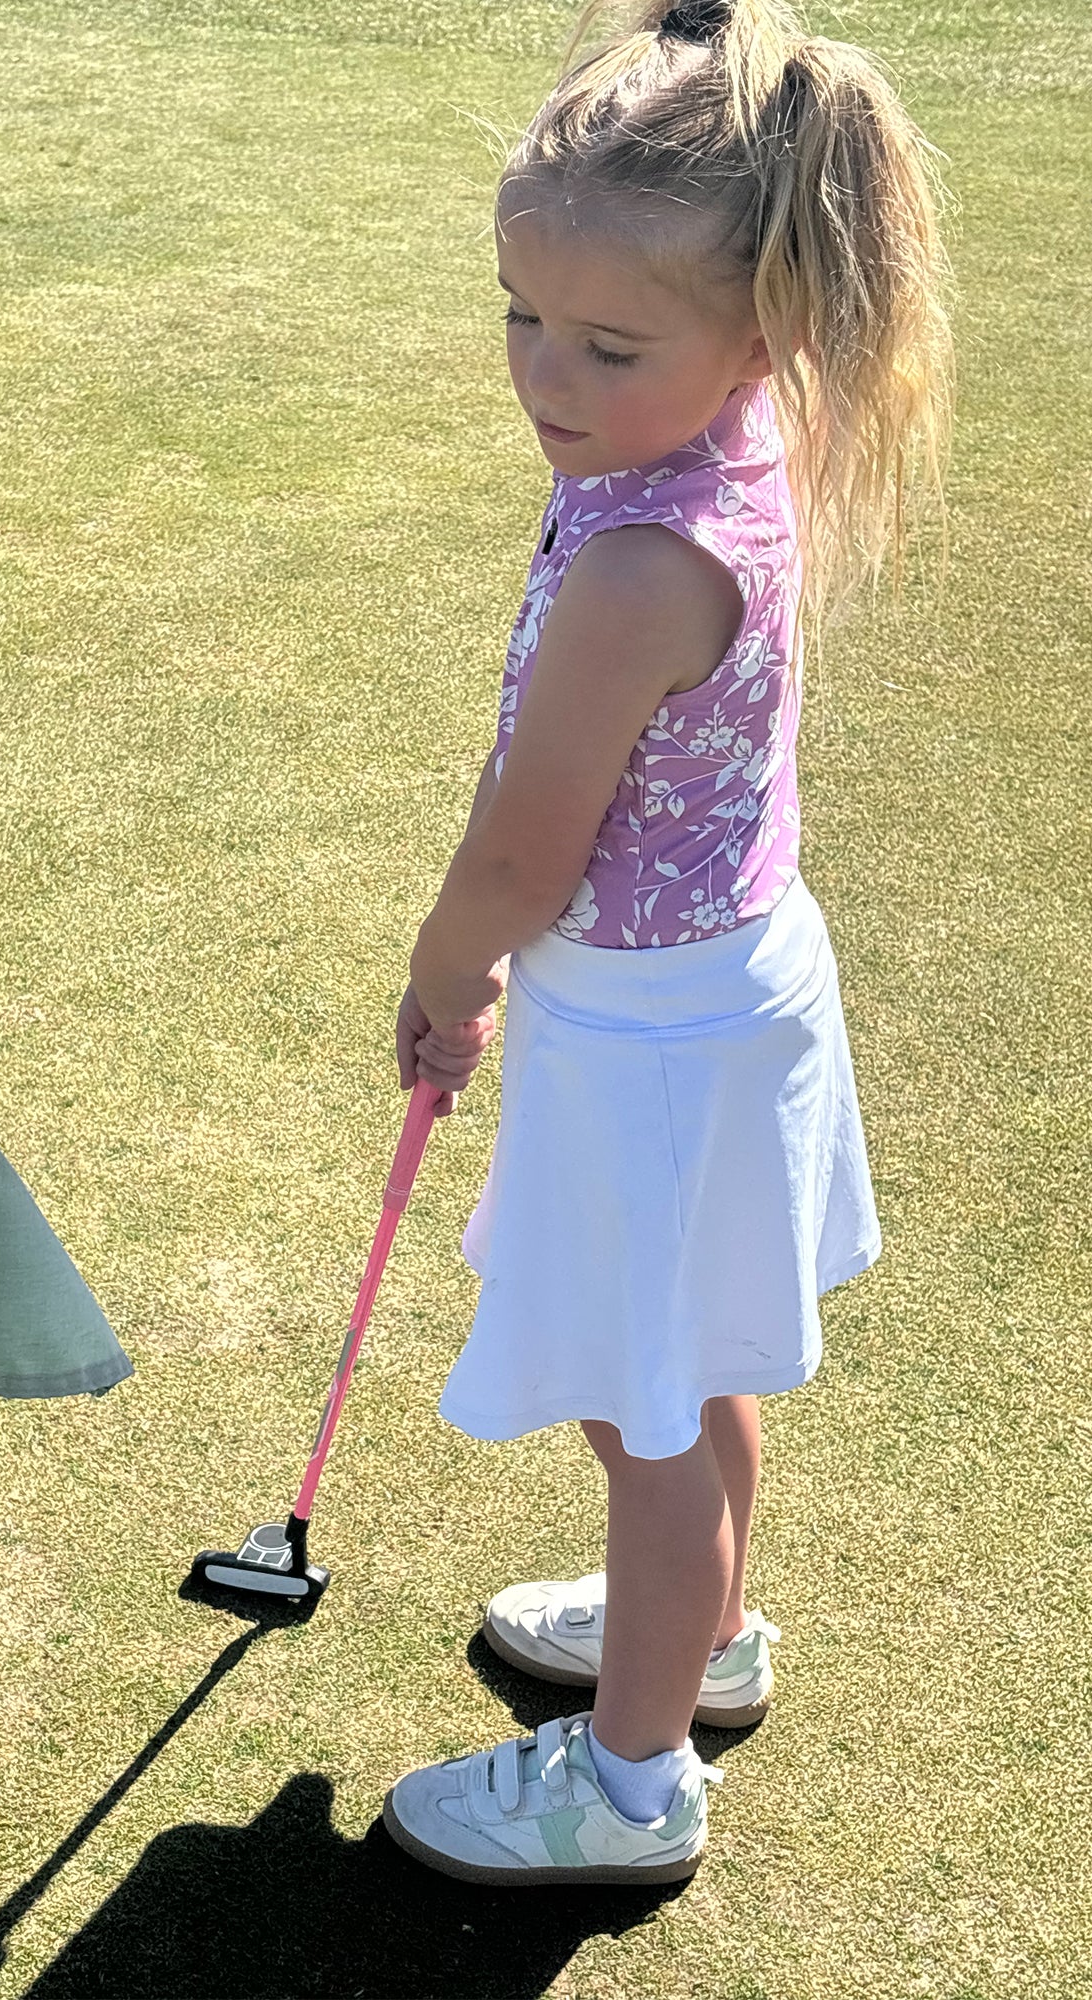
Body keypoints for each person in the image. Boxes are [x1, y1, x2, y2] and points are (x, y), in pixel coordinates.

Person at [382, 0, 952, 1885]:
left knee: (646, 1421)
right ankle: (697, 1641)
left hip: (645, 1032)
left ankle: (628, 1781)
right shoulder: (736, 428)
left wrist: (446, 970)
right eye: (521, 318)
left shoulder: (640, 565)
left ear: (760, 330)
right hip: (729, 987)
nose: (546, 376)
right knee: (692, 1373)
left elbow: (525, 848)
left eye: (609, 343)